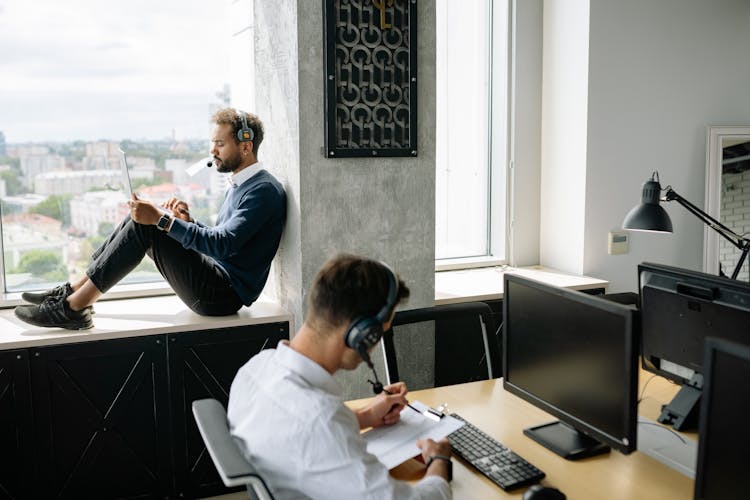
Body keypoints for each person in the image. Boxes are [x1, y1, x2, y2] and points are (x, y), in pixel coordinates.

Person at [14, 108, 286, 330]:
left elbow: (223, 245)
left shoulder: (263, 191)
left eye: (219, 144)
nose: (212, 151)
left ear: (246, 146)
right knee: (141, 219)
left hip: (222, 296)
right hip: (217, 281)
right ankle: (72, 291)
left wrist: (163, 221)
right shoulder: (242, 184)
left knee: (149, 226)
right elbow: (226, 240)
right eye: (212, 143)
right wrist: (188, 222)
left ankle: (73, 308)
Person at [228, 254, 453, 499]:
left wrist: (365, 416)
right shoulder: (321, 421)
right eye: (379, 334)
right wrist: (439, 461)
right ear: (361, 334)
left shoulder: (255, 369)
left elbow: (292, 436)